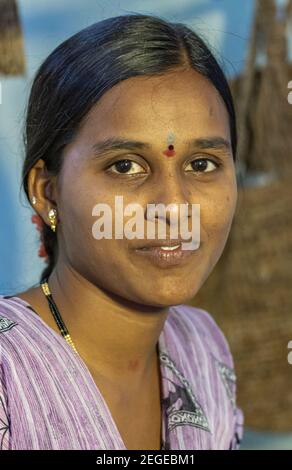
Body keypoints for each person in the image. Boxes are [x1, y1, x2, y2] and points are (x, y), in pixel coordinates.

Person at [0, 13, 244, 450]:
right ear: (47, 190)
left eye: (202, 164)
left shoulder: (203, 347)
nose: (174, 206)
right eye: (126, 166)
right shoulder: (7, 374)